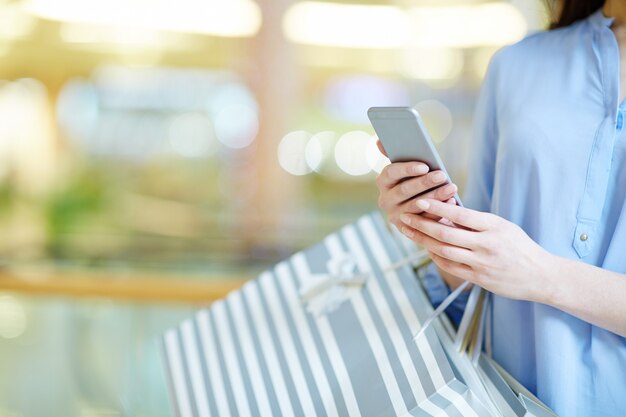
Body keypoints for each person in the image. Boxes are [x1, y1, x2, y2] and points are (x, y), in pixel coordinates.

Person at [375, 1, 626, 417]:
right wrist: (437, 230)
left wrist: (543, 274)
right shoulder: (517, 65)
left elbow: (524, 269)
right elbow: (470, 289)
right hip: (503, 399)